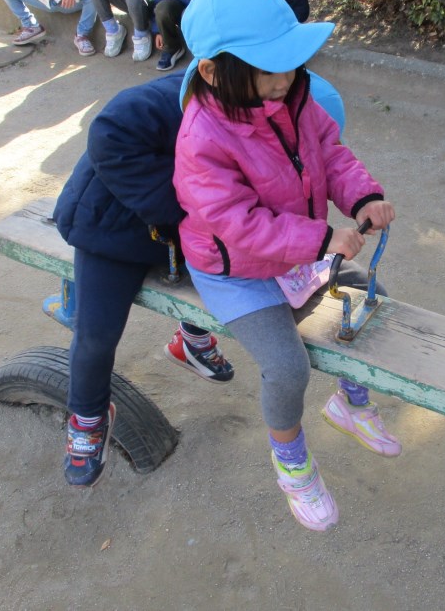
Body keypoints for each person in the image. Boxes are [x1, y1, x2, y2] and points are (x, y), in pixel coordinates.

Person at [173, 0, 402, 532]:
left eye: (291, 63)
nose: (287, 78)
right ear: (214, 72)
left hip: (295, 251)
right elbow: (238, 225)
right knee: (285, 366)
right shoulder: (202, 137)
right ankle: (292, 464)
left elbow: (331, 152)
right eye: (269, 67)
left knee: (372, 300)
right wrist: (320, 240)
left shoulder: (295, 97)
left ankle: (351, 401)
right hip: (236, 271)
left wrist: (363, 196)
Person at [50, 66, 350, 488]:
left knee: (225, 276)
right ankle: (88, 413)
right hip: (112, 227)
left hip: (195, 233)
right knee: (96, 332)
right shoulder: (181, 100)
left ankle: (191, 341)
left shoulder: (271, 110)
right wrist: (186, 205)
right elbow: (108, 133)